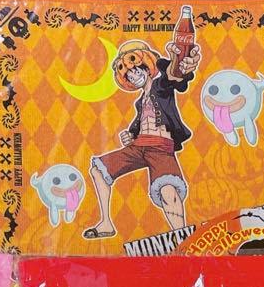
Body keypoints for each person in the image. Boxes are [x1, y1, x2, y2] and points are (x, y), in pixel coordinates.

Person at [83, 39, 201, 238]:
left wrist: (175, 58)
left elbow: (173, 75)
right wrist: (130, 136)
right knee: (98, 170)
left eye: (136, 71)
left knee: (168, 190)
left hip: (161, 148)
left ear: (147, 68)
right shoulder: (140, 102)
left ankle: (183, 238)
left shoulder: (161, 87)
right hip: (138, 147)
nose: (133, 76)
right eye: (129, 75)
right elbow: (138, 128)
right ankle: (105, 224)